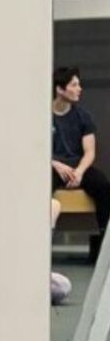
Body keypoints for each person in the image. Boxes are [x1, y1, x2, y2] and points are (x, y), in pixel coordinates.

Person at [52, 65, 110, 256]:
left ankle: (103, 245)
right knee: (38, 187)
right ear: (60, 89)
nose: (79, 89)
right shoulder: (42, 116)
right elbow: (33, 150)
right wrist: (54, 163)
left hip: (78, 167)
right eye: (74, 85)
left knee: (103, 186)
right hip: (53, 167)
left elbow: (90, 152)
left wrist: (79, 172)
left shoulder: (83, 117)